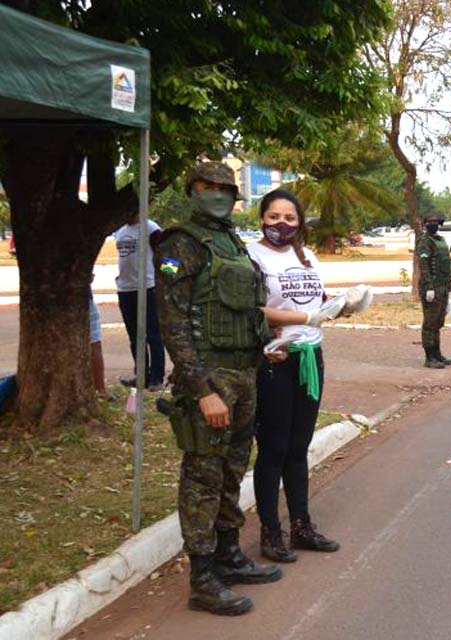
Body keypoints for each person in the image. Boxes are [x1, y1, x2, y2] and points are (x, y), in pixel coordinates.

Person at [154, 161, 281, 616]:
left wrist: (265, 346)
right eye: (208, 187)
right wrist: (201, 388)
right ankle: (202, 577)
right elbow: (173, 324)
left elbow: (246, 307)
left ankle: (228, 555)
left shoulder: (231, 242)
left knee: (231, 472)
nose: (218, 195)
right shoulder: (179, 244)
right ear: (193, 191)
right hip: (210, 379)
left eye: (225, 189)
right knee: (203, 477)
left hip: (244, 373)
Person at [245, 189, 340, 563]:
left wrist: (337, 306)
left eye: (289, 218)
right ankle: (271, 533)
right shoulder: (252, 256)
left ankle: (302, 526)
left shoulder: (306, 255)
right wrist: (304, 319)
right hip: (276, 360)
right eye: (273, 217)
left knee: (299, 447)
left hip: (310, 358)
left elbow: (312, 300)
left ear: (299, 222)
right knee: (274, 449)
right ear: (262, 219)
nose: (281, 224)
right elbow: (252, 308)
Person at [114, 213, 166, 390]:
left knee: (153, 335)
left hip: (148, 288)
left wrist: (168, 278)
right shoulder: (120, 231)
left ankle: (157, 378)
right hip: (125, 290)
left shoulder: (151, 228)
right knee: (135, 337)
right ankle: (142, 376)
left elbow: (167, 255)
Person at [417, 214, 451, 369]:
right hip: (431, 287)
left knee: (438, 322)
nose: (433, 225)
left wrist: (450, 289)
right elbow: (424, 265)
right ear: (425, 224)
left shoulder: (440, 240)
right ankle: (429, 357)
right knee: (430, 323)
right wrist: (429, 287)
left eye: (436, 222)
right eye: (430, 223)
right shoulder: (425, 241)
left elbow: (446, 264)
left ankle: (437, 353)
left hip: (443, 286)